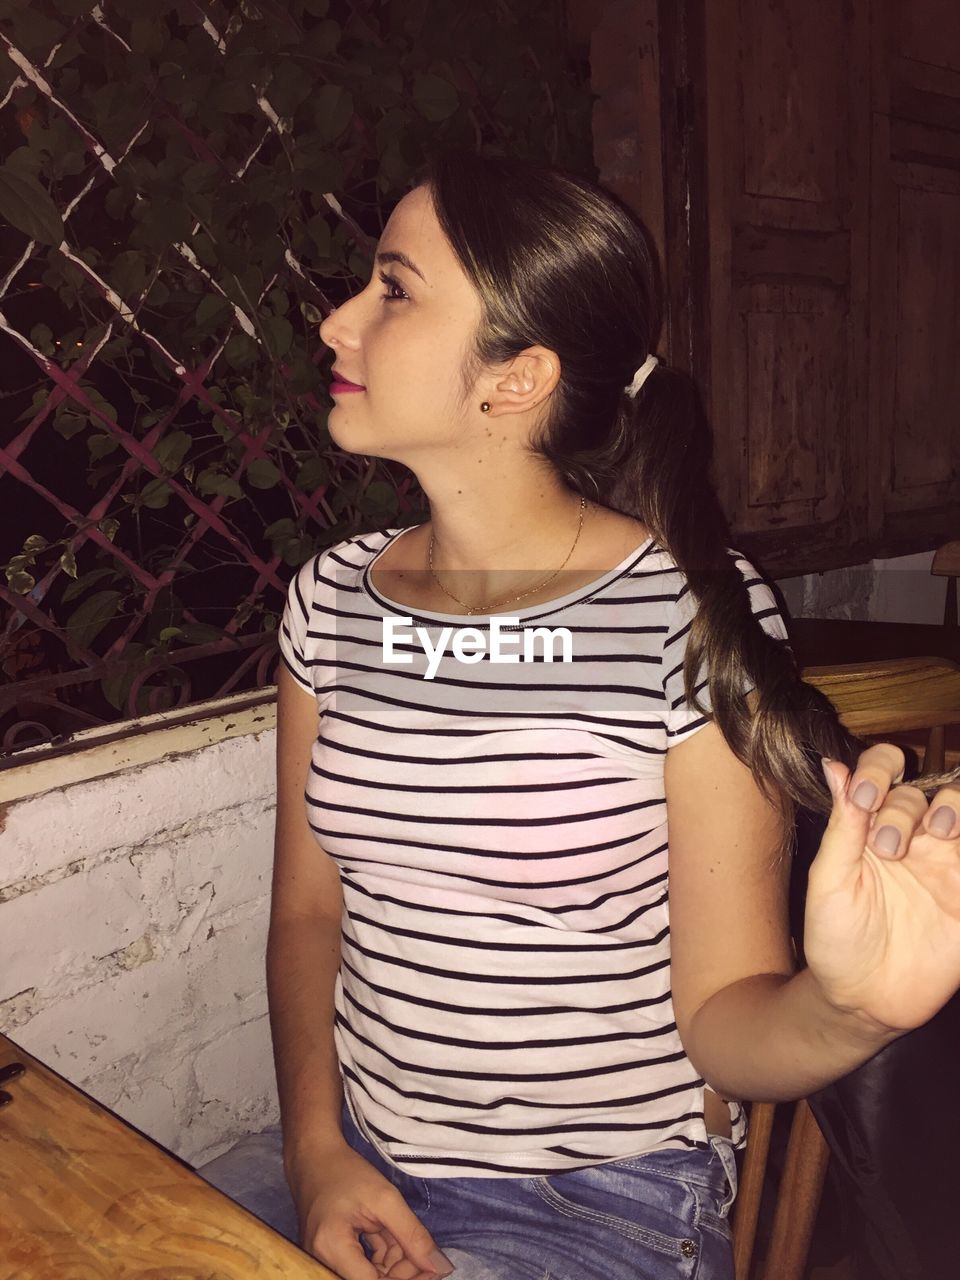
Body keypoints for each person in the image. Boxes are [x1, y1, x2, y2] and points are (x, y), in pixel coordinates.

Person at [267, 150, 960, 1280]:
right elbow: (306, 916)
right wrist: (311, 1152)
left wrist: (851, 1013)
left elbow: (725, 1014)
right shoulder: (330, 598)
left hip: (595, 1198)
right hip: (352, 1149)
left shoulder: (677, 616)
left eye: (392, 289)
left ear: (515, 378)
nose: (339, 321)